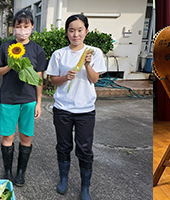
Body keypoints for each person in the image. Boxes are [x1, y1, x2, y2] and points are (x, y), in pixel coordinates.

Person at [45, 14, 106, 200]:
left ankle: (85, 187)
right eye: (72, 30)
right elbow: (52, 81)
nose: (76, 34)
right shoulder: (59, 54)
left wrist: (87, 65)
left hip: (85, 110)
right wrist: (66, 77)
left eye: (80, 30)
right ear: (67, 32)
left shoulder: (94, 52)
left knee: (85, 149)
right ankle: (63, 179)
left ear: (86, 31)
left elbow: (94, 79)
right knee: (63, 146)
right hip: (62, 108)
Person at [0, 9, 46, 187]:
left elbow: (38, 78)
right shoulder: (5, 47)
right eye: (18, 26)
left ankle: (21, 172)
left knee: (26, 137)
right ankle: (7, 171)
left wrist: (39, 102)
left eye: (26, 26)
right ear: (13, 28)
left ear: (32, 27)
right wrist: (10, 65)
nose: (22, 30)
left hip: (29, 100)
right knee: (7, 136)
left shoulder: (37, 50)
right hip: (8, 98)